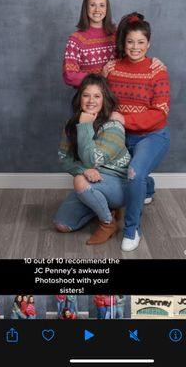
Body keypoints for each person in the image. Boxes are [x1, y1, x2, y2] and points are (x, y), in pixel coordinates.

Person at [106, 12, 170, 252]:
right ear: (123, 42)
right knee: (130, 177)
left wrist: (124, 118)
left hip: (152, 136)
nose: (135, 47)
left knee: (134, 172)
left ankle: (132, 229)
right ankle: (148, 187)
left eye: (141, 42)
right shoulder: (111, 68)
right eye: (130, 41)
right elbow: (100, 98)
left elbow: (160, 112)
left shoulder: (157, 70)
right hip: (119, 136)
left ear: (149, 43)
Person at [54, 74, 131, 245]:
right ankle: (103, 207)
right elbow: (63, 158)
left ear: (105, 99)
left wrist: (85, 126)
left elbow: (93, 160)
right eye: (86, 95)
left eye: (97, 96)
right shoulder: (71, 123)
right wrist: (84, 170)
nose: (91, 101)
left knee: (79, 181)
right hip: (91, 180)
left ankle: (107, 223)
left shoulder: (113, 124)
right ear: (79, 97)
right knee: (62, 225)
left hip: (119, 185)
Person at [62, 0, 116, 89]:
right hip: (89, 98)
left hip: (116, 95)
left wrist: (152, 62)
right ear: (86, 7)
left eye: (102, 5)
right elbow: (69, 75)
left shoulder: (116, 35)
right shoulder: (76, 39)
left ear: (107, 8)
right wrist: (100, 76)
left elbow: (133, 55)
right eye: (92, 5)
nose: (97, 9)